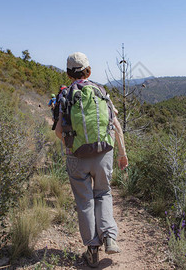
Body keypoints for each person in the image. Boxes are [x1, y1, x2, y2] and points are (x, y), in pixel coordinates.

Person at [55, 52, 128, 268]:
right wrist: (122, 154)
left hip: (77, 157)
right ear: (89, 70)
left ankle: (92, 249)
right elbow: (116, 126)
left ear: (69, 73)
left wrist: (71, 145)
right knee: (104, 193)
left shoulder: (65, 95)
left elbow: (59, 131)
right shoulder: (100, 91)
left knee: (84, 201)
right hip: (104, 153)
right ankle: (110, 237)